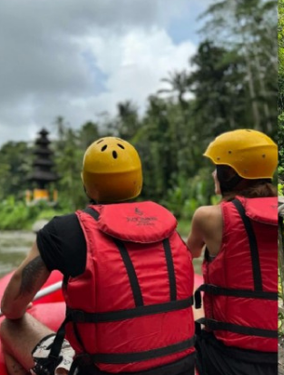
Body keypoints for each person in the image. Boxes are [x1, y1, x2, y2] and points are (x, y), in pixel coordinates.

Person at [0, 137, 196, 375]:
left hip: (99, 370)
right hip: (182, 367)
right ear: (137, 180)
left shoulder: (64, 231)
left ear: (87, 182)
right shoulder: (169, 228)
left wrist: (19, 307)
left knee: (9, 326)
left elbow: (11, 308)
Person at [188, 129, 278, 375]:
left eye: (217, 166)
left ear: (229, 174)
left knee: (192, 312)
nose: (212, 173)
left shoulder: (208, 217)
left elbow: (188, 255)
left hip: (229, 356)